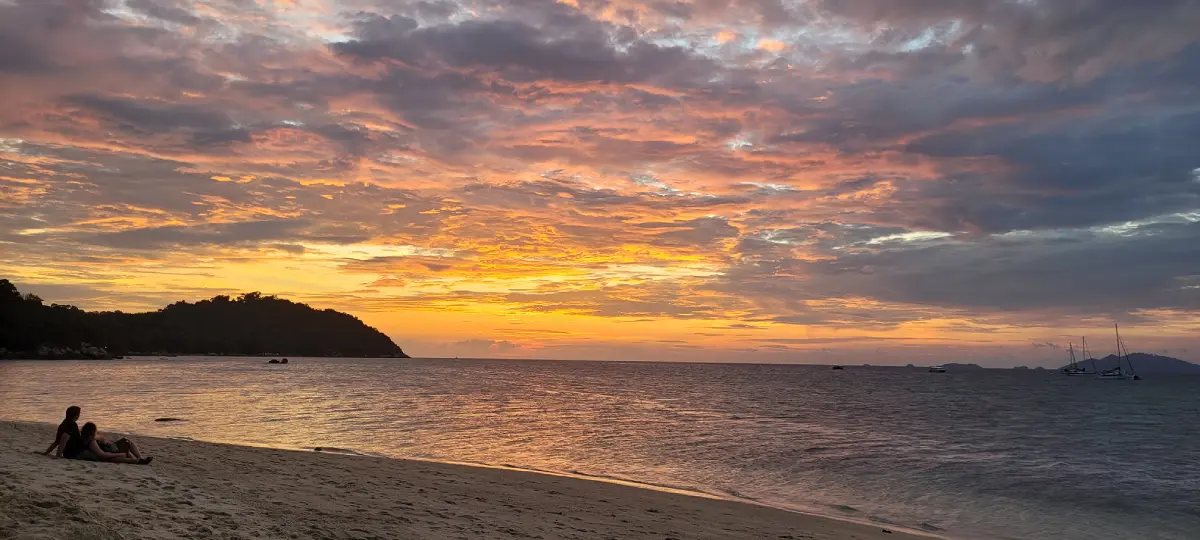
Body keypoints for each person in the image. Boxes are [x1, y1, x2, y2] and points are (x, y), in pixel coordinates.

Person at [75, 422, 153, 465]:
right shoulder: (91, 442)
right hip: (111, 452)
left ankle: (140, 458)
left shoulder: (89, 438)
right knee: (125, 446)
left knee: (126, 442)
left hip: (110, 448)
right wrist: (119, 454)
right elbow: (102, 455)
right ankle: (139, 460)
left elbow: (101, 439)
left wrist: (98, 438)